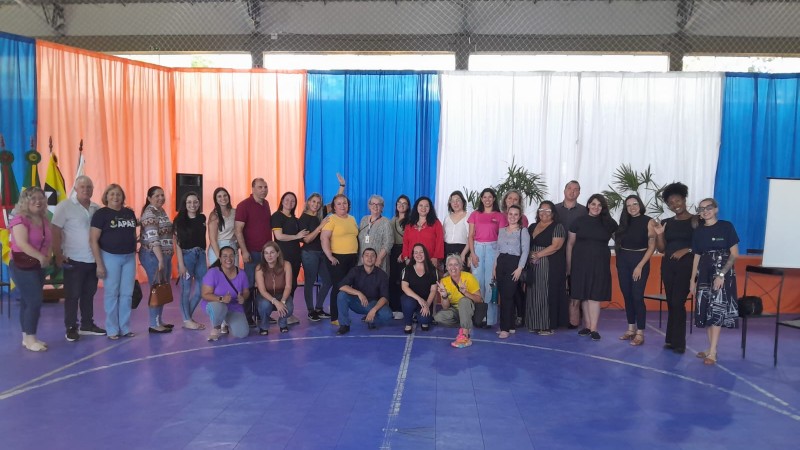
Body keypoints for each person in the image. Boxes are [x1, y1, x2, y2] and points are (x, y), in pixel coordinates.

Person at [51, 175, 105, 342]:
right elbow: (55, 231)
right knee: (72, 295)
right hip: (73, 259)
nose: (86, 190)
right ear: (75, 188)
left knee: (89, 294)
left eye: (89, 187)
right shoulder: (64, 206)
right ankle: (71, 327)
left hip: (93, 259)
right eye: (82, 187)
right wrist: (58, 254)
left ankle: (87, 325)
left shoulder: (97, 208)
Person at [690, 198, 739, 366]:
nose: (705, 211)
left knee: (716, 310)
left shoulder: (726, 226)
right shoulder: (698, 231)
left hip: (722, 273)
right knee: (705, 310)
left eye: (709, 207)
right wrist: (692, 280)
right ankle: (710, 347)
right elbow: (697, 256)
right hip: (704, 273)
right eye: (701, 208)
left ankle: (713, 352)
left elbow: (734, 254)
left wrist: (722, 274)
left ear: (716, 209)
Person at [653, 182, 698, 354]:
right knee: (671, 302)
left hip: (687, 267)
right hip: (668, 266)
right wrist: (659, 234)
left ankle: (679, 343)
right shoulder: (666, 222)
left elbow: (702, 245)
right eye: (671, 203)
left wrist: (686, 250)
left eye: (677, 200)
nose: (675, 205)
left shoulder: (696, 220)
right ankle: (670, 339)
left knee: (678, 302)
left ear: (684, 199)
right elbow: (662, 248)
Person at [566, 193, 618, 341]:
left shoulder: (609, 223)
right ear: (588, 205)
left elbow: (621, 240)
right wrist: (569, 266)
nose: (596, 207)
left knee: (594, 296)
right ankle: (587, 326)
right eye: (593, 204)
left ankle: (594, 328)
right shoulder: (578, 221)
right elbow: (570, 244)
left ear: (603, 208)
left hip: (599, 263)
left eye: (599, 205)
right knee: (584, 295)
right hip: (580, 263)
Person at [90, 184, 138, 340]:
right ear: (106, 196)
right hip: (110, 256)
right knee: (112, 293)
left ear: (123, 197)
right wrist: (99, 263)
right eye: (112, 194)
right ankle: (112, 329)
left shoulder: (129, 213)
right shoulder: (100, 214)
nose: (115, 197)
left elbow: (131, 234)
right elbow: (93, 240)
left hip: (129, 257)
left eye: (118, 194)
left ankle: (124, 328)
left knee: (127, 294)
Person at [9, 187, 52, 352]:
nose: (38, 201)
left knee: (28, 302)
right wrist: (40, 257)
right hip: (23, 266)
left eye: (41, 198)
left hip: (38, 266)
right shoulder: (19, 219)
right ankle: (31, 337)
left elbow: (47, 241)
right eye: (33, 198)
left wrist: (47, 256)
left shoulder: (44, 219)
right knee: (34, 300)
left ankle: (27, 337)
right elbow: (22, 243)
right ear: (25, 201)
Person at [615, 195, 657, 346]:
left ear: (640, 204)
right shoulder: (624, 222)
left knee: (637, 296)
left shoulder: (649, 221)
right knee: (627, 295)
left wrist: (639, 266)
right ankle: (630, 328)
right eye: (628, 205)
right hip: (623, 260)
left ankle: (640, 332)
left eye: (635, 204)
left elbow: (652, 247)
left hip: (640, 260)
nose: (632, 207)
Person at [235, 178, 272, 327]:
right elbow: (238, 231)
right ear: (253, 188)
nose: (263, 189)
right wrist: (244, 251)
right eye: (260, 187)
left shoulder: (266, 204)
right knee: (249, 286)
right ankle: (247, 317)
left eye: (265, 186)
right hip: (251, 253)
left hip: (266, 254)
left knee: (265, 285)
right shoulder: (243, 205)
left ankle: (262, 314)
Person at [526, 201, 566, 335]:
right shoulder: (532, 226)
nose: (544, 213)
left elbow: (556, 246)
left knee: (545, 293)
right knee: (533, 293)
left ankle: (547, 325)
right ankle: (534, 323)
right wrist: (531, 256)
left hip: (548, 264)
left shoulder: (558, 227)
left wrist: (538, 255)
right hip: (532, 263)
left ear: (553, 213)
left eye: (548, 211)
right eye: (541, 210)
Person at [467, 188, 506, 326]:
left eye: (490, 197)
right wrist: (472, 253)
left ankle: (490, 319)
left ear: (494, 199)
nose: (487, 199)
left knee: (490, 283)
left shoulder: (500, 216)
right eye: (484, 197)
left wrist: (496, 259)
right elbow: (470, 236)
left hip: (493, 249)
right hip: (477, 248)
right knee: (477, 283)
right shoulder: (475, 214)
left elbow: (501, 238)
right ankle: (479, 317)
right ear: (481, 199)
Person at [139, 185, 175, 334]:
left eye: (162, 195)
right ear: (149, 198)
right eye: (157, 196)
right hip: (154, 256)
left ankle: (159, 320)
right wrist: (160, 260)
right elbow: (153, 238)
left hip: (163, 255)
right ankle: (154, 323)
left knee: (162, 287)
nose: (161, 198)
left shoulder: (160, 211)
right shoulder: (149, 213)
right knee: (156, 288)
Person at [335, 248, 392, 335]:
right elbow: (342, 286)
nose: (369, 258)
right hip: (358, 303)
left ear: (376, 259)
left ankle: (371, 319)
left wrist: (374, 310)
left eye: (372, 256)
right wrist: (359, 293)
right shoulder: (355, 270)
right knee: (341, 295)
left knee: (387, 315)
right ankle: (344, 325)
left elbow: (385, 297)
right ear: (362, 258)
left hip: (373, 304)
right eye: (367, 255)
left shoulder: (382, 274)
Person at [321, 194, 359, 325]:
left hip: (352, 257)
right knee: (339, 286)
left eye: (345, 203)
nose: (342, 206)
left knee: (347, 286)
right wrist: (330, 256)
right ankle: (335, 317)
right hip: (337, 258)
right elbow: (324, 238)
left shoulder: (352, 218)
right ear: (334, 207)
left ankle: (343, 314)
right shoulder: (331, 219)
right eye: (339, 203)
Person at [493, 205, 530, 338]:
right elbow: (498, 249)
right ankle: (511, 326)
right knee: (504, 295)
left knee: (508, 297)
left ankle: (504, 328)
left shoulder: (523, 231)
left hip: (514, 264)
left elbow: (525, 251)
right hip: (501, 262)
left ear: (520, 216)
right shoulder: (502, 230)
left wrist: (519, 268)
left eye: (516, 214)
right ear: (507, 215)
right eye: (510, 214)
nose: (513, 217)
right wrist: (494, 267)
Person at [555, 180, 587, 329]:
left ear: (579, 193)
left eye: (576, 189)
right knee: (558, 285)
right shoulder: (554, 210)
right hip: (556, 252)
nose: (572, 191)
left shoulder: (584, 211)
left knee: (576, 286)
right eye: (569, 188)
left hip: (578, 254)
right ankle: (558, 316)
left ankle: (574, 318)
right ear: (564, 190)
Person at [271, 191, 307, 325]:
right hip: (283, 256)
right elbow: (279, 236)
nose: (290, 202)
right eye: (287, 199)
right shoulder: (277, 216)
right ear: (282, 200)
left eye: (293, 200)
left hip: (295, 256)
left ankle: (288, 313)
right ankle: (279, 311)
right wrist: (296, 237)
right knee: (283, 285)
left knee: (293, 284)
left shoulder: (295, 219)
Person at [201, 246, 250, 341]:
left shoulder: (242, 274)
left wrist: (243, 298)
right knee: (219, 307)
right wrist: (221, 299)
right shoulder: (213, 272)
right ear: (220, 258)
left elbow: (246, 292)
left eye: (231, 256)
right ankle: (216, 327)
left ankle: (227, 321)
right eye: (225, 256)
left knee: (242, 333)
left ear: (235, 257)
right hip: (216, 305)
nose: (228, 259)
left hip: (234, 307)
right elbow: (205, 294)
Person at [174, 191, 207, 330]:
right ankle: (187, 319)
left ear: (199, 203)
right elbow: (177, 244)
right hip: (186, 256)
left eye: (195, 202)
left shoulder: (202, 218)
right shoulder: (179, 220)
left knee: (201, 289)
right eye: (189, 202)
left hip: (200, 256)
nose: (192, 205)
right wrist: (181, 264)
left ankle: (188, 317)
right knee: (186, 290)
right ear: (185, 204)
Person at [435, 254, 483, 348]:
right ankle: (464, 324)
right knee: (439, 317)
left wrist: (466, 293)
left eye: (456, 264)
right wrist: (444, 296)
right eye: (450, 265)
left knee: (463, 301)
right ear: (447, 267)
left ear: (461, 266)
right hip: (456, 310)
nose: (453, 267)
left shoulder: (469, 277)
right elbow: (446, 307)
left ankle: (465, 335)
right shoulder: (444, 281)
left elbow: (479, 299)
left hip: (469, 308)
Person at [298, 193, 333, 321]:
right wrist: (320, 226)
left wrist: (342, 187)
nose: (316, 205)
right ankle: (310, 310)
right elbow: (307, 240)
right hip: (309, 253)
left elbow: (334, 202)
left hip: (321, 253)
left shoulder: (320, 214)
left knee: (328, 280)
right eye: (313, 201)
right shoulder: (303, 218)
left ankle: (319, 308)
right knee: (310, 282)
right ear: (308, 202)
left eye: (318, 203)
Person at [255, 242, 294, 334]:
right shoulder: (259, 268)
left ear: (278, 253)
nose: (269, 255)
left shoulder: (286, 265)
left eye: (272, 252)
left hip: (282, 294)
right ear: (263, 255)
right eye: (266, 253)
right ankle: (264, 326)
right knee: (264, 305)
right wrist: (276, 302)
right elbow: (262, 291)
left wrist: (283, 301)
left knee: (289, 307)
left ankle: (283, 323)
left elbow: (288, 286)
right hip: (266, 296)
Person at [400, 244, 438, 333]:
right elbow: (404, 287)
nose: (419, 255)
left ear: (425, 254)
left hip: (425, 301)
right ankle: (408, 323)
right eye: (416, 253)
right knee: (408, 302)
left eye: (421, 252)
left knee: (425, 320)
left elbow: (433, 290)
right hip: (411, 299)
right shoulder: (407, 269)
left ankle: (419, 316)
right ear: (413, 255)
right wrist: (419, 299)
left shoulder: (433, 270)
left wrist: (427, 305)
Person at [401, 196, 444, 267]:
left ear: (430, 208)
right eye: (421, 205)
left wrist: (436, 257)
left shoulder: (436, 223)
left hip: (430, 261)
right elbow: (405, 242)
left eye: (426, 206)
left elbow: (440, 241)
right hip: (412, 260)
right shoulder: (409, 224)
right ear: (416, 207)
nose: (423, 208)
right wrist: (406, 257)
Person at [357, 195, 393, 275]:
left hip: (378, 261)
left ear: (382, 207)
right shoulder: (364, 219)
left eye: (378, 204)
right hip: (362, 260)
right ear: (369, 206)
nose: (375, 206)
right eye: (373, 203)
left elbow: (388, 243)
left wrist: (379, 259)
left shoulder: (386, 222)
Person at [388, 195, 410, 317]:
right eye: (399, 203)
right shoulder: (393, 219)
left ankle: (402, 309)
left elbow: (411, 239)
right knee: (393, 279)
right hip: (393, 251)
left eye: (404, 203)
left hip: (404, 252)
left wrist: (404, 253)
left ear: (408, 206)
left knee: (403, 280)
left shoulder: (410, 220)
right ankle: (393, 307)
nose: (401, 205)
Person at [207, 187, 237, 266]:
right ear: (215, 199)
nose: (223, 198)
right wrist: (220, 257)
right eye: (219, 196)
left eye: (225, 195)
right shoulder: (214, 215)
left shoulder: (235, 212)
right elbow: (213, 240)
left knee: (233, 275)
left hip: (232, 247)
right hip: (218, 248)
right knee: (219, 276)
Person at [443, 190, 470, 271]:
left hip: (463, 250)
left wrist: (463, 254)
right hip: (447, 250)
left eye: (458, 200)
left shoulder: (468, 216)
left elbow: (471, 237)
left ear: (463, 202)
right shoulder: (447, 218)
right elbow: (443, 236)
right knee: (448, 277)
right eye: (453, 201)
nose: (455, 203)